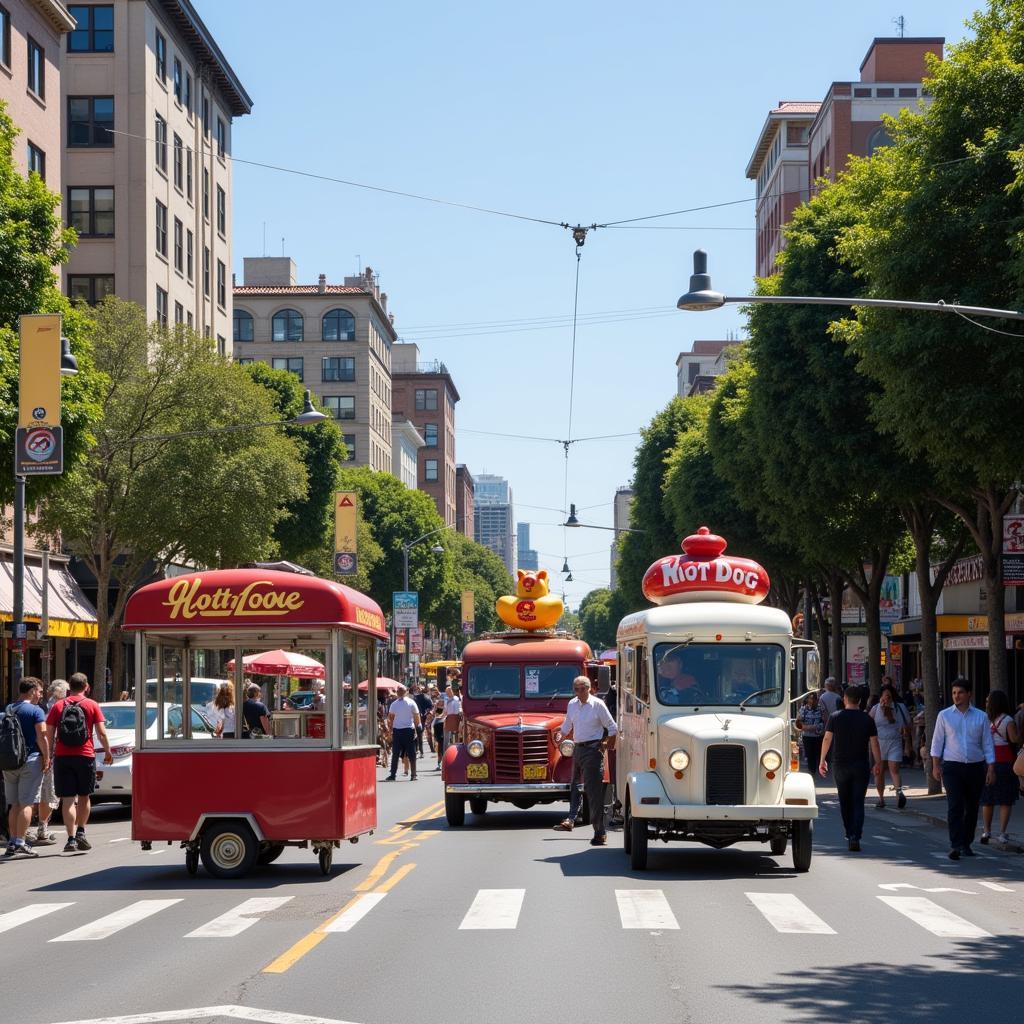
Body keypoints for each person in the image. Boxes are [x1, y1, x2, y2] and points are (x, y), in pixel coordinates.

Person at [930, 676, 996, 860]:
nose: (956, 696)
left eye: (960, 693)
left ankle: (966, 843)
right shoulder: (944, 716)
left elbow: (988, 744)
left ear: (969, 694)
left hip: (975, 766)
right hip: (952, 766)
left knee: (972, 807)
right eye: (953, 693)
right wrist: (935, 765)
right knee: (955, 806)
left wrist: (991, 768)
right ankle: (955, 845)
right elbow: (937, 742)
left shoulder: (981, 717)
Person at [46, 673, 112, 854]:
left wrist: (49, 755)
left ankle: (71, 838)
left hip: (62, 756)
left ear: (69, 688)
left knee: (67, 799)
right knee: (84, 796)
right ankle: (81, 831)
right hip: (85, 756)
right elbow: (101, 732)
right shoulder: (92, 705)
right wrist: (107, 751)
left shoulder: (58, 705)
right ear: (87, 686)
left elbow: (49, 733)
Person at [819, 685, 882, 851]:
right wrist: (878, 762)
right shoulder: (867, 719)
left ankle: (849, 831)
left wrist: (822, 760)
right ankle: (856, 835)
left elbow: (827, 739)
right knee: (858, 801)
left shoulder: (835, 717)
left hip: (840, 764)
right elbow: (874, 743)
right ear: (860, 701)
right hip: (860, 764)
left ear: (845, 699)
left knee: (844, 800)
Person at [556, 676, 617, 846]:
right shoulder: (572, 704)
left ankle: (600, 832)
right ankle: (571, 819)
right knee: (574, 785)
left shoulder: (597, 704)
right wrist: (560, 734)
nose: (579, 692)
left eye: (583, 688)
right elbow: (568, 724)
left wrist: (604, 746)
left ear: (590, 688)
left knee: (593, 792)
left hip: (592, 749)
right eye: (576, 689)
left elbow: (613, 728)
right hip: (578, 748)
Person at [3, 678, 50, 858]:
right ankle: (21, 842)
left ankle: (12, 842)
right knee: (27, 803)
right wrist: (46, 758)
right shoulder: (36, 711)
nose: (40, 694)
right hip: (30, 760)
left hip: (8, 763)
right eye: (39, 691)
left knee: (13, 804)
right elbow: (42, 736)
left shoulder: (7, 709)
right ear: (31, 691)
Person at [28, 678, 68, 847]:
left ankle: (22, 831)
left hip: (36, 755)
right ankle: (42, 829)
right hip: (52, 755)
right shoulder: (61, 708)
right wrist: (48, 755)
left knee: (33, 793)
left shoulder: (43, 707)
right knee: (48, 793)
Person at [979, 689, 1019, 846]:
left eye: (988, 700)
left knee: (987, 799)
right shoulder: (1007, 720)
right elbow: (1014, 739)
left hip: (988, 761)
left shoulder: (986, 720)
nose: (986, 703)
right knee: (1005, 799)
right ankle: (1002, 833)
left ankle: (986, 831)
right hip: (1005, 761)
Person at [869, 684, 911, 809]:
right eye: (884, 696)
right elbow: (868, 724)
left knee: (889, 770)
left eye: (888, 696)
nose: (886, 699)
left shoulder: (897, 708)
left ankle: (892, 796)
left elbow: (908, 724)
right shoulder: (877, 709)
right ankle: (888, 796)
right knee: (884, 771)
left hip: (889, 742)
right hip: (882, 743)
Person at [385, 684, 421, 781]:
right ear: (406, 692)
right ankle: (413, 775)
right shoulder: (411, 702)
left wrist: (390, 729)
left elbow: (390, 718)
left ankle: (393, 774)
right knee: (411, 753)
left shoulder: (394, 704)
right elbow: (416, 716)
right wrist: (418, 726)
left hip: (398, 730)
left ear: (398, 693)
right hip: (408, 730)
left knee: (396, 753)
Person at [796, 691, 826, 774]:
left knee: (817, 752)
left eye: (814, 699)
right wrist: (807, 727)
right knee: (809, 753)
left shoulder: (820, 708)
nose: (812, 701)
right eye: (810, 699)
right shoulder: (804, 709)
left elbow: (824, 720)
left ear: (817, 700)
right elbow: (799, 722)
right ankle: (811, 770)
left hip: (818, 735)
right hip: (807, 736)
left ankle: (818, 768)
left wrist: (817, 727)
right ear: (808, 700)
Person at [411, 683, 432, 757]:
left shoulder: (413, 698)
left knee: (417, 735)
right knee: (419, 734)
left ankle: (417, 750)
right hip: (422, 717)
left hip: (416, 717)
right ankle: (420, 751)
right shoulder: (426, 697)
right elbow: (430, 707)